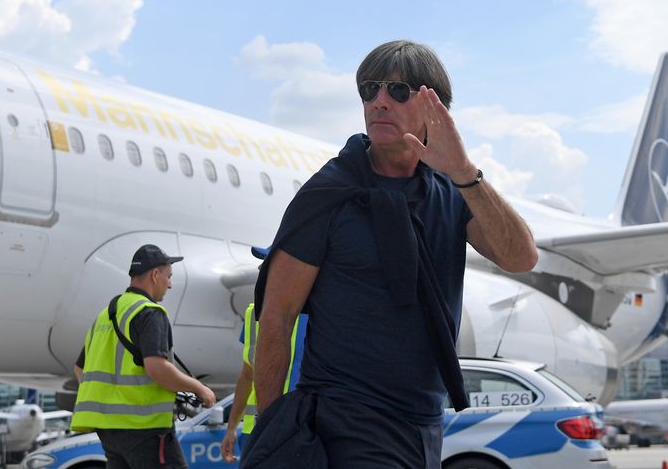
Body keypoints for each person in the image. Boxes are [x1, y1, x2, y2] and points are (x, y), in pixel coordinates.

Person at [247, 40, 538, 468]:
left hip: (423, 426)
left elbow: (521, 258)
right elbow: (275, 319)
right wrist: (272, 433)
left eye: (398, 91)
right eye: (370, 89)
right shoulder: (328, 194)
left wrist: (463, 173)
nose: (379, 102)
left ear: (434, 105)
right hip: (344, 424)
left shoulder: (451, 191)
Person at [71, 244, 216, 469]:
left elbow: (80, 369)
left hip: (108, 430)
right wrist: (199, 388)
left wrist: (112, 399)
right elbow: (157, 368)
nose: (169, 284)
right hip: (145, 428)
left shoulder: (107, 314)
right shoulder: (149, 312)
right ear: (155, 274)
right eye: (168, 276)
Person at [220, 300, 307, 463]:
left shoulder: (317, 311)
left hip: (298, 430)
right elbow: (247, 375)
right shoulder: (254, 312)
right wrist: (231, 428)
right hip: (255, 431)